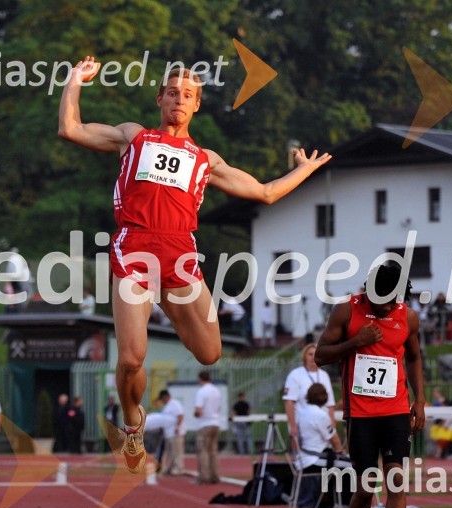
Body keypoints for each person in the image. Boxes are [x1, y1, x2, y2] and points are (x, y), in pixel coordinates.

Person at [58, 58, 331, 474]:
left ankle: (170, 312)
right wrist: (74, 81)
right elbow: (71, 129)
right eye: (172, 93)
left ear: (197, 105)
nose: (179, 100)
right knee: (131, 358)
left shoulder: (205, 159)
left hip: (180, 258)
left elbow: (265, 192)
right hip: (135, 250)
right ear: (160, 99)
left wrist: (305, 170)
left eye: (187, 95)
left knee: (210, 353)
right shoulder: (134, 137)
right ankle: (133, 422)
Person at [315, 263, 424, 508]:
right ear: (369, 291)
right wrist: (356, 342)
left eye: (392, 301)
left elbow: (414, 358)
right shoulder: (346, 311)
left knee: (396, 481)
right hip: (361, 413)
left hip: (396, 409)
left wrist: (420, 400)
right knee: (366, 487)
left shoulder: (408, 317)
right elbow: (320, 356)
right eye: (381, 301)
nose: (387, 307)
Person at [294, 383, 346, 508]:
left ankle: (330, 502)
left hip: (302, 458)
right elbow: (334, 439)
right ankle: (345, 505)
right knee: (349, 465)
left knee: (338, 463)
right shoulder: (321, 415)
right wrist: (342, 452)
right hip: (314, 459)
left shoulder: (302, 412)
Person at [283, 344, 337, 452]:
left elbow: (330, 404)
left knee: (326, 454)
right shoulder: (295, 375)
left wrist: (332, 424)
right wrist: (292, 426)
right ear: (304, 356)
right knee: (304, 455)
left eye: (315, 354)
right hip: (304, 425)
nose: (313, 357)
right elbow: (289, 401)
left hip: (323, 423)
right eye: (310, 354)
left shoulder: (324, 375)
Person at [194, 370, 221, 484]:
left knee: (203, 450)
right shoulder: (216, 390)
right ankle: (214, 475)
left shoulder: (201, 391)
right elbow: (219, 407)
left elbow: (198, 410)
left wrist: (195, 414)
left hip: (205, 423)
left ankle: (204, 476)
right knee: (213, 451)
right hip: (215, 422)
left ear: (200, 379)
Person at [156, 390, 185, 475]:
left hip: (175, 432)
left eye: (162, 399)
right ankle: (169, 468)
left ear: (166, 397)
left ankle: (178, 468)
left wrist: (178, 427)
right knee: (169, 452)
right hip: (168, 434)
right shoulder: (167, 407)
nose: (162, 401)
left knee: (177, 451)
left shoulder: (175, 404)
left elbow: (180, 415)